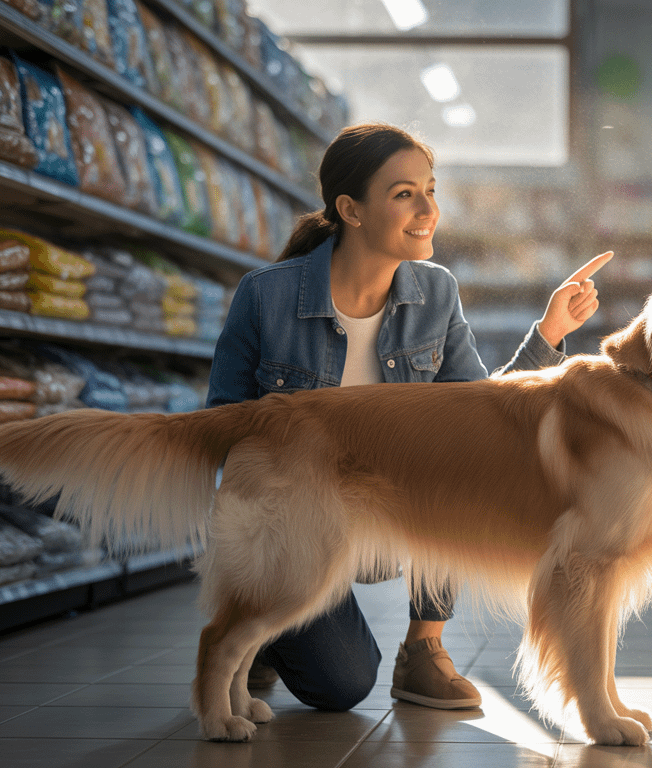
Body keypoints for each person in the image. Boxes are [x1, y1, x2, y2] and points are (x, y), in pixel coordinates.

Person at [206, 122, 612, 712]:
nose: (429, 209)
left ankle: (424, 650)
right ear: (350, 208)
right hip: (297, 516)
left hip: (394, 514)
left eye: (430, 189)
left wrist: (550, 332)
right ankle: (264, 626)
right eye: (404, 194)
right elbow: (225, 422)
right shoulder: (266, 296)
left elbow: (484, 417)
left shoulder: (436, 292)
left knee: (455, 460)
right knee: (341, 686)